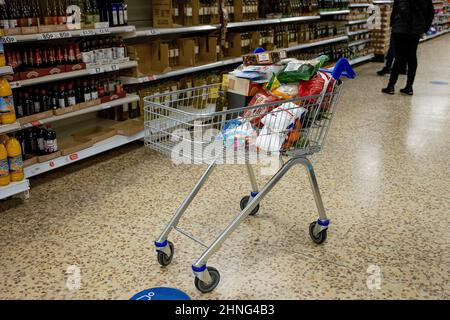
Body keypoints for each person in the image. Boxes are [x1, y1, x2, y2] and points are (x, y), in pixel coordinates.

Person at [382, 0, 435, 95]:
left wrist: (392, 23)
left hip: (400, 28)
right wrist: (424, 28)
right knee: (412, 56)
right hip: (415, 30)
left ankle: (391, 86)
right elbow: (430, 12)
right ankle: (409, 87)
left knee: (399, 57)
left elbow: (396, 8)